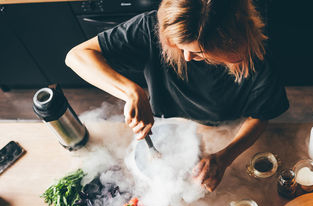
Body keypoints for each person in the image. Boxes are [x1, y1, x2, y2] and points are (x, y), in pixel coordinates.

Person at [65, 0, 289, 192]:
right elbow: (77, 56)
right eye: (179, 47)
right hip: (166, 120)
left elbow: (261, 114)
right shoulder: (151, 28)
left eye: (198, 52)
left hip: (226, 127)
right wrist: (131, 92)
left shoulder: (260, 57)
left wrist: (224, 158)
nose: (186, 58)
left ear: (229, 45)